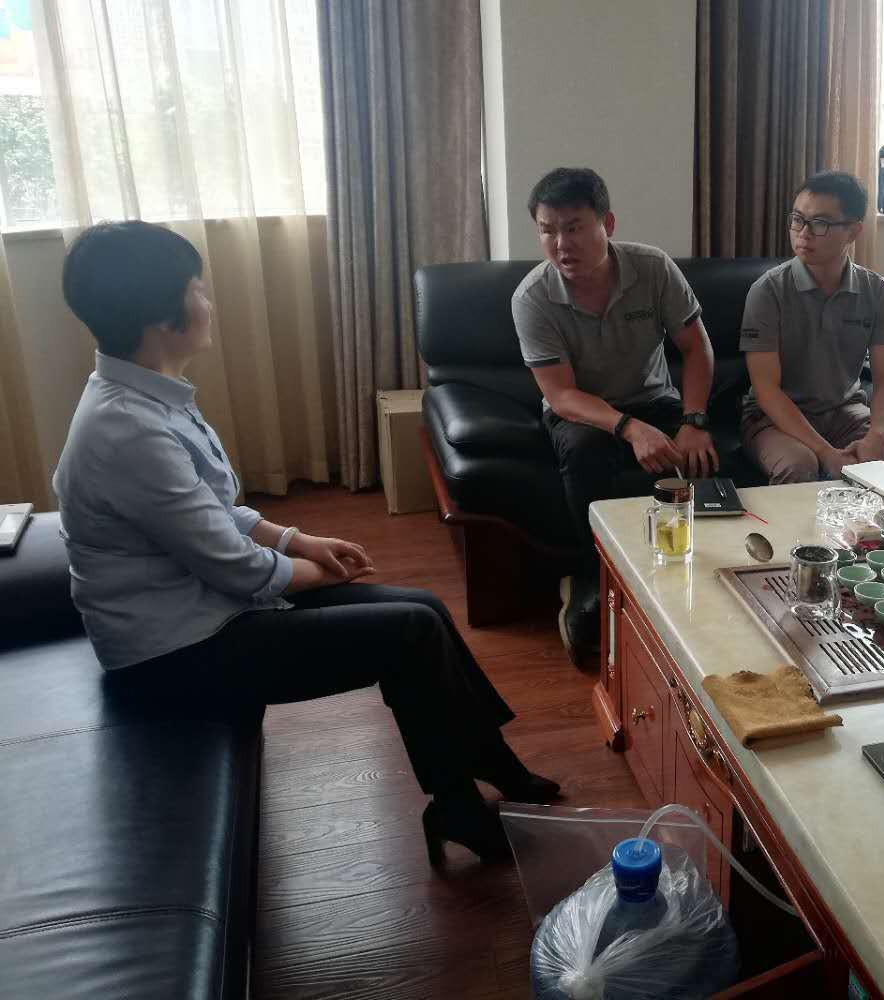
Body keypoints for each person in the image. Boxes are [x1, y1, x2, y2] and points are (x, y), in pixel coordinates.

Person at [52, 221, 556, 868]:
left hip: (206, 611)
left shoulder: (148, 396)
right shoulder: (128, 429)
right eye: (196, 289)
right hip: (176, 655)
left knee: (424, 607)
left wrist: (300, 540)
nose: (208, 301)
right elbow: (240, 571)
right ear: (160, 315)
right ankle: (457, 801)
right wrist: (320, 572)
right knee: (408, 632)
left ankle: (489, 763)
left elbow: (216, 513)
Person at [512, 168, 719, 662]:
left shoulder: (652, 268)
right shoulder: (533, 297)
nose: (561, 243)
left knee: (709, 461)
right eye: (547, 230)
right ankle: (588, 577)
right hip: (581, 410)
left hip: (654, 399)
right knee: (586, 453)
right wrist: (629, 429)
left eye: (574, 227)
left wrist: (693, 422)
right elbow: (561, 395)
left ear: (607, 223)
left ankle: (700, 577)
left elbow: (696, 348)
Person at [739, 170, 884, 484]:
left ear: (853, 231)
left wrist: (878, 434)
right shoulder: (768, 291)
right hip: (773, 419)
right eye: (797, 220)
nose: (803, 233)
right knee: (799, 464)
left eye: (820, 223)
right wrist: (824, 452)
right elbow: (766, 389)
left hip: (845, 412)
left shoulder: (876, 291)